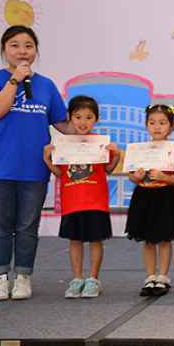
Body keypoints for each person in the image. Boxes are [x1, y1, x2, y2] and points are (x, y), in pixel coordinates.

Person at [0, 25, 73, 301]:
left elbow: (64, 125)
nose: (22, 51)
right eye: (15, 45)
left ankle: (23, 276)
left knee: (27, 226)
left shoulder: (46, 85)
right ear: (4, 50)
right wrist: (15, 80)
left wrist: (93, 138)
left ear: (36, 51)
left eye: (29, 46)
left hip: (34, 167)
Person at [44, 95, 121, 299]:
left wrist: (116, 155)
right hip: (72, 202)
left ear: (96, 119)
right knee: (75, 240)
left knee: (96, 240)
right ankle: (77, 279)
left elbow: (109, 170)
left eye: (89, 117)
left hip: (96, 202)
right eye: (78, 117)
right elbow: (60, 173)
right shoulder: (63, 144)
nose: (83, 122)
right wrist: (47, 159)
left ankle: (93, 279)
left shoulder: (100, 143)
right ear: (70, 117)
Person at [125, 104, 174, 297]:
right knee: (148, 240)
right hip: (143, 196)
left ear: (171, 125)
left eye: (162, 122)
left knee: (165, 239)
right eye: (152, 123)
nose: (157, 127)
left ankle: (163, 277)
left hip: (164, 196)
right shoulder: (139, 150)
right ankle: (150, 276)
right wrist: (136, 177)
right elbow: (131, 176)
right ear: (146, 125)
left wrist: (165, 177)